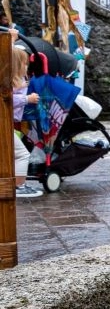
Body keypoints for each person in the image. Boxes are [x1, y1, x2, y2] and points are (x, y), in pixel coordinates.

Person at [10, 47, 40, 198]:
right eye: (24, 63)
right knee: (22, 154)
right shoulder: (10, 83)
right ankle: (18, 186)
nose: (27, 67)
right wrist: (27, 99)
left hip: (7, 124)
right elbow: (8, 99)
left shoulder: (17, 81)